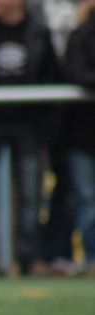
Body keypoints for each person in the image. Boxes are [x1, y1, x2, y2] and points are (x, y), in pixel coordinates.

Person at [0, 0, 61, 276]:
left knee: (31, 194)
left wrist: (42, 116)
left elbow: (50, 74)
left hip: (27, 122)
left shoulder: (38, 31)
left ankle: (31, 257)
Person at [63, 0, 95, 276]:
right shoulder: (81, 36)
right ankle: (92, 257)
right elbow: (76, 72)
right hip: (84, 131)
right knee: (86, 197)